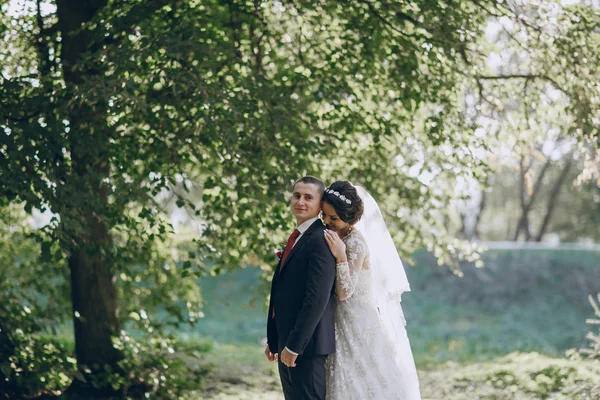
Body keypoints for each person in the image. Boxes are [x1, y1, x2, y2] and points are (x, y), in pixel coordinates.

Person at [321, 180, 421, 400]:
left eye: (333, 218)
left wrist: (340, 256)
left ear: (349, 218)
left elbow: (344, 292)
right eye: (324, 215)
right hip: (338, 321)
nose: (327, 221)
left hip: (358, 321)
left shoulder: (355, 243)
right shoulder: (337, 235)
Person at [265, 176, 337, 400]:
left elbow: (316, 298)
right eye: (297, 196)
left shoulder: (320, 240)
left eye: (308, 197)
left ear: (319, 204)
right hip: (287, 341)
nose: (300, 202)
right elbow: (282, 292)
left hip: (306, 347)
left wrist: (295, 346)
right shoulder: (298, 237)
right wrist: (274, 338)